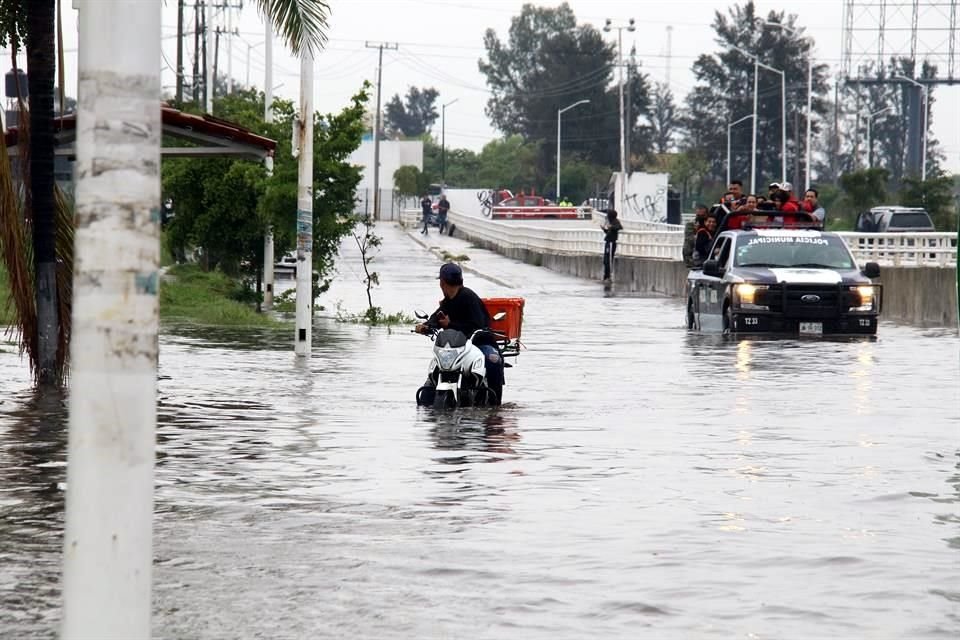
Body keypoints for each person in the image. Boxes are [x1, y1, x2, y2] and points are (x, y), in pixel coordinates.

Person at [415, 263, 504, 401]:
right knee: (436, 369)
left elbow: (477, 325)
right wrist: (426, 326)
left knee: (493, 361)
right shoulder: (448, 301)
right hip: (456, 347)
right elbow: (437, 317)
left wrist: (450, 324)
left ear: (442, 283)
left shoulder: (469, 297)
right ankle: (425, 404)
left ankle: (495, 407)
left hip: (479, 344)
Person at [601, 208, 623, 283]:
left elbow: (619, 227)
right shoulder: (611, 222)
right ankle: (605, 276)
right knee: (605, 260)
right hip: (608, 241)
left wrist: (612, 227)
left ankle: (608, 277)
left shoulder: (615, 221)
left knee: (609, 260)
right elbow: (609, 232)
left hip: (611, 242)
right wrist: (604, 229)